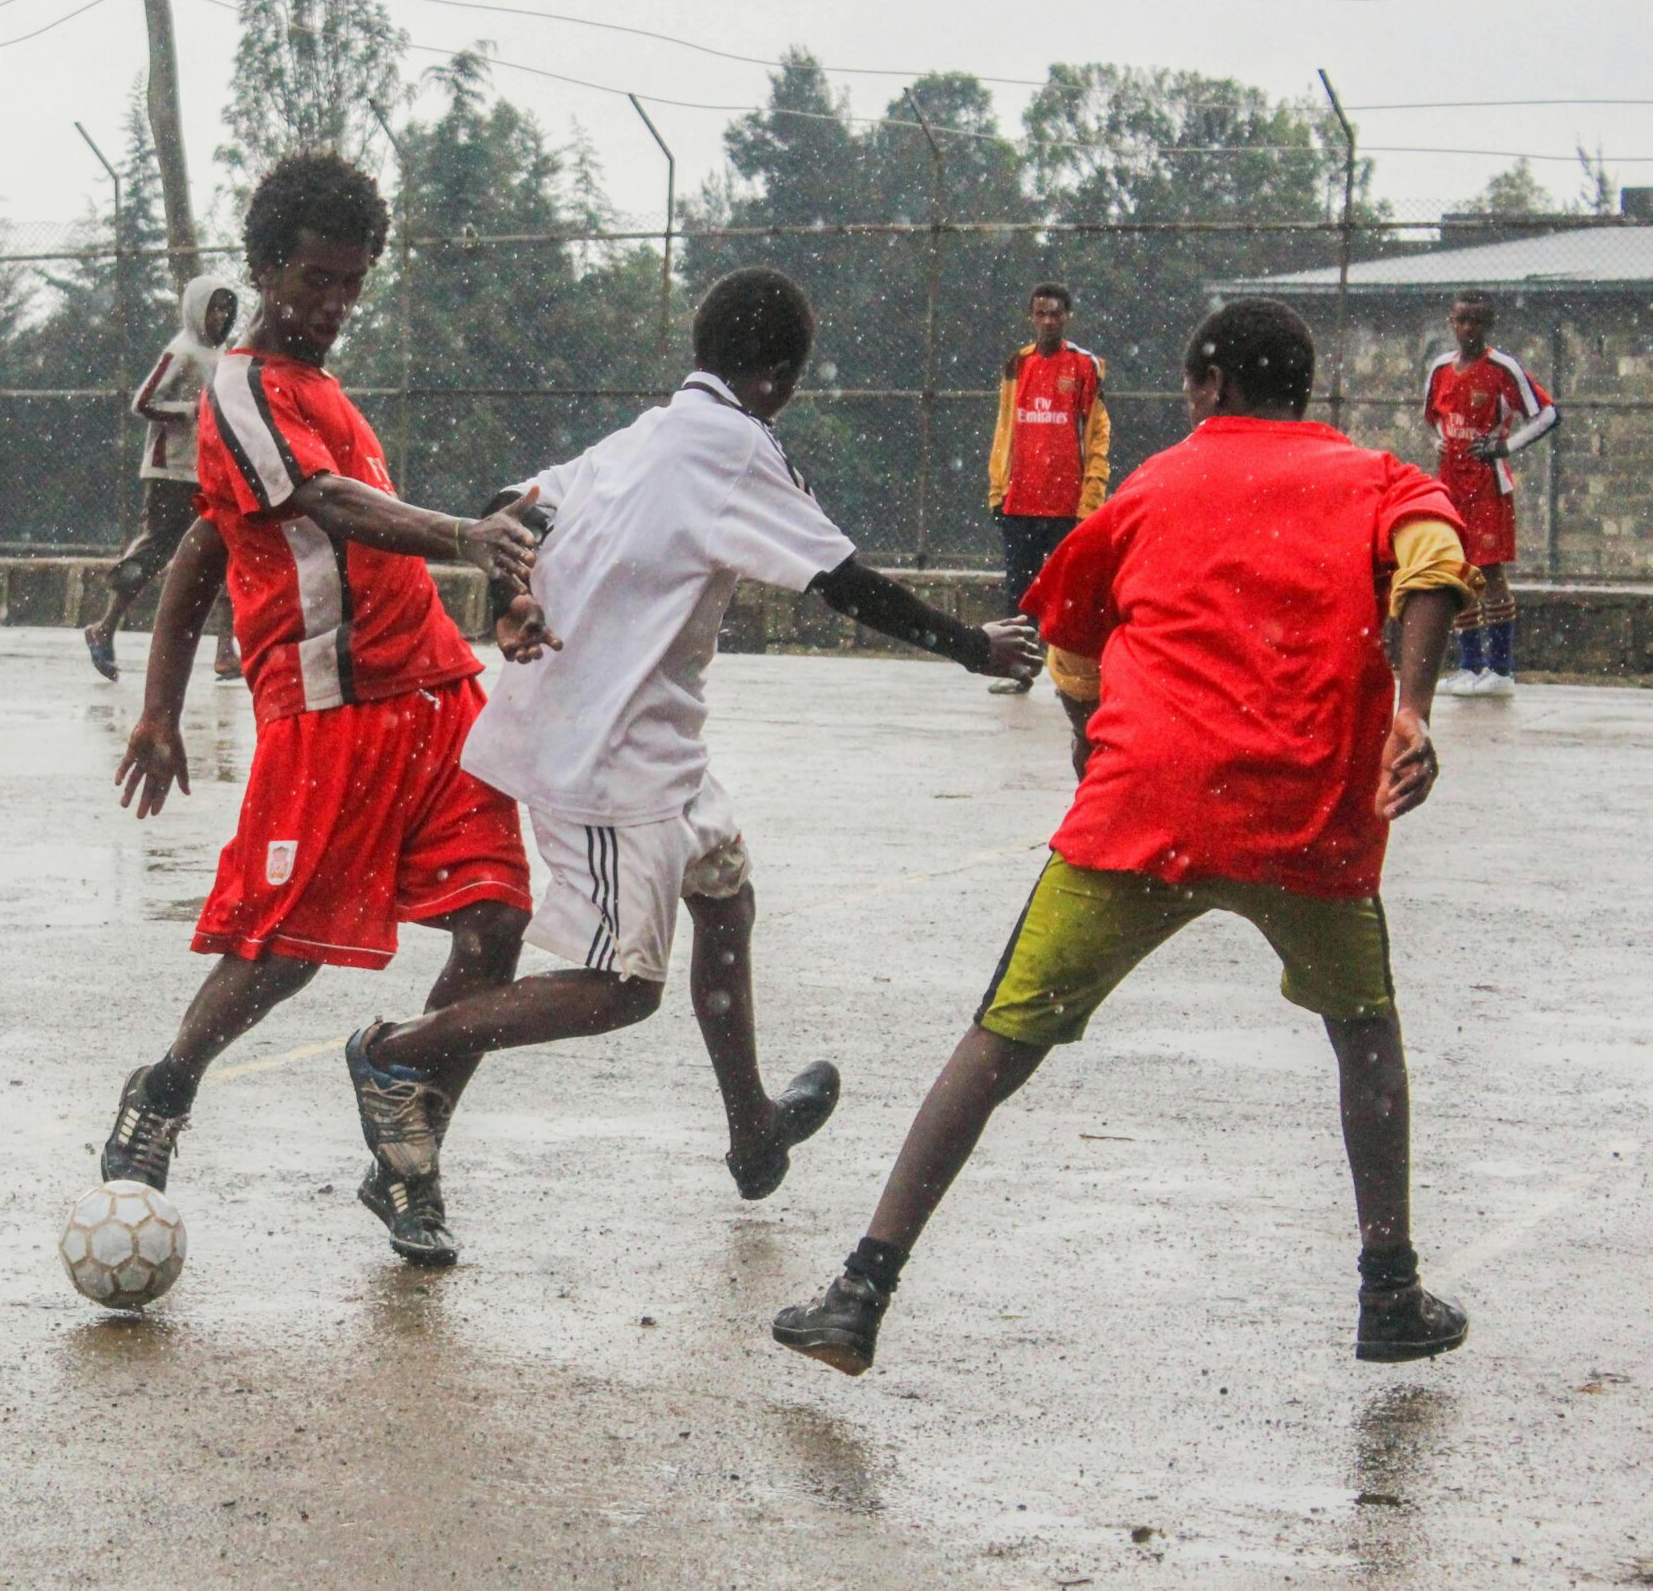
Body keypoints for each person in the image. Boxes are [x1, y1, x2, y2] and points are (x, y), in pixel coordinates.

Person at [774, 298, 1477, 1375]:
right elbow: (1434, 561)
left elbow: (1068, 630)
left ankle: (862, 1288)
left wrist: (1088, 733)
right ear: (1300, 387)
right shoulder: (1372, 478)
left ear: (1207, 387)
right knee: (1363, 1035)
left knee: (999, 1040)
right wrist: (1413, 708)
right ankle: (1388, 1289)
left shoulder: (1152, 486)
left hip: (1145, 807)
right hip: (1308, 817)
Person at [340, 268, 1042, 1257]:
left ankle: (752, 1130)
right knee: (617, 988)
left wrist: (510, 598)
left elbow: (512, 506)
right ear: (778, 380)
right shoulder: (735, 448)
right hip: (607, 751)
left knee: (725, 894)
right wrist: (975, 646)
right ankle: (391, 1054)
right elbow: (843, 584)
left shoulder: (650, 434)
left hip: (651, 737)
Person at [101, 152, 542, 1266]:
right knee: (283, 949)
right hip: (330, 711)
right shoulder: (241, 389)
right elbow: (299, 511)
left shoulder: (330, 397)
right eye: (313, 279)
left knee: (494, 925)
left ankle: (406, 1151)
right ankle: (164, 1088)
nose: (333, 304)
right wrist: (460, 535)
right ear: (263, 270)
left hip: (439, 698)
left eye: (351, 282)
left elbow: (214, 544)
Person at [84, 273, 243, 684]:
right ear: (197, 310)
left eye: (227, 309)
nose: (221, 316)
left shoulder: (224, 355)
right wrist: (189, 412)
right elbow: (143, 401)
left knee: (225, 550)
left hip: (209, 469)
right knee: (155, 550)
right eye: (214, 308)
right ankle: (105, 626)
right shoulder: (182, 352)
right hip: (171, 469)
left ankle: (226, 649)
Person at [1424, 289, 1556, 697]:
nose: (1468, 328)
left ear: (1488, 325)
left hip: (1487, 483)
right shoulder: (1441, 369)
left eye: (1476, 321)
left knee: (1491, 570)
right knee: (1456, 567)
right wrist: (1437, 442)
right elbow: (1432, 419)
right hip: (1451, 483)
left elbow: (1548, 413)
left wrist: (1506, 446)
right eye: (1462, 320)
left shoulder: (1502, 368)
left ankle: (1501, 670)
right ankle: (1470, 665)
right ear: (1452, 322)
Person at [983, 282, 1109, 694]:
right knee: (1020, 595)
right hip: (1020, 500)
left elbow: (1097, 435)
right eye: (1041, 313)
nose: (1048, 320)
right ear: (1031, 316)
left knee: (1069, 597)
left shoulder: (1084, 366)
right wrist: (998, 489)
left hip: (1067, 506)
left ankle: (1070, 680)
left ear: (1067, 316)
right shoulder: (1016, 365)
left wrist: (1091, 500)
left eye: (1055, 313)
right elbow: (1005, 429)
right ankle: (1020, 672)